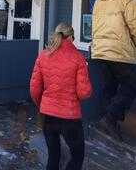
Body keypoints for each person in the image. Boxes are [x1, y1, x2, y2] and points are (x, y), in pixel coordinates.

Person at [91, 0, 136, 140]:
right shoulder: (127, 0)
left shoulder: (98, 2)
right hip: (120, 52)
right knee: (132, 83)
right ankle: (110, 118)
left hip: (100, 51)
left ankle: (108, 122)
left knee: (109, 86)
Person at [30, 23, 92, 170]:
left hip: (47, 116)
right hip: (70, 118)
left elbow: (34, 89)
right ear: (70, 37)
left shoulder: (43, 55)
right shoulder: (78, 58)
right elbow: (84, 92)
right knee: (77, 156)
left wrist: (43, 105)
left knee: (53, 155)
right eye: (74, 37)